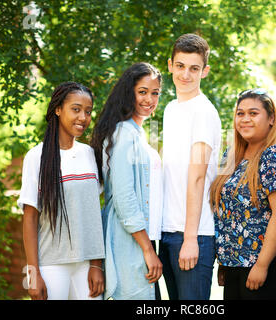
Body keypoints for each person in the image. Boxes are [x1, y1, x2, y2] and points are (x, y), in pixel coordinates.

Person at [18, 82, 105, 300]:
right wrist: (32, 273)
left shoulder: (90, 155)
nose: (83, 118)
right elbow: (30, 218)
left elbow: (94, 214)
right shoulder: (36, 157)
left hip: (86, 265)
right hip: (51, 264)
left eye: (88, 111)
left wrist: (97, 265)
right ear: (58, 109)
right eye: (76, 109)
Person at [209, 89, 276, 300]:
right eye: (240, 113)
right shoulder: (230, 156)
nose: (245, 119)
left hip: (264, 265)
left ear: (271, 119)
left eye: (253, 113)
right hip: (232, 266)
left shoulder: (275, 155)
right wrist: (225, 261)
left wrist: (262, 265)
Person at [90, 62, 163, 300]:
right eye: (142, 91)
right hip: (128, 241)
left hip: (140, 239)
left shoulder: (137, 133)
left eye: (155, 93)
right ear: (129, 92)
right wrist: (147, 249)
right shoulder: (123, 134)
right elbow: (124, 197)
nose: (149, 99)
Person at [159, 33, 222, 300]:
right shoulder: (170, 109)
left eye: (194, 68)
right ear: (170, 65)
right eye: (181, 66)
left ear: (204, 71)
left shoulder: (203, 112)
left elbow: (197, 178)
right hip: (167, 231)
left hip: (195, 235)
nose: (186, 74)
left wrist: (190, 238)